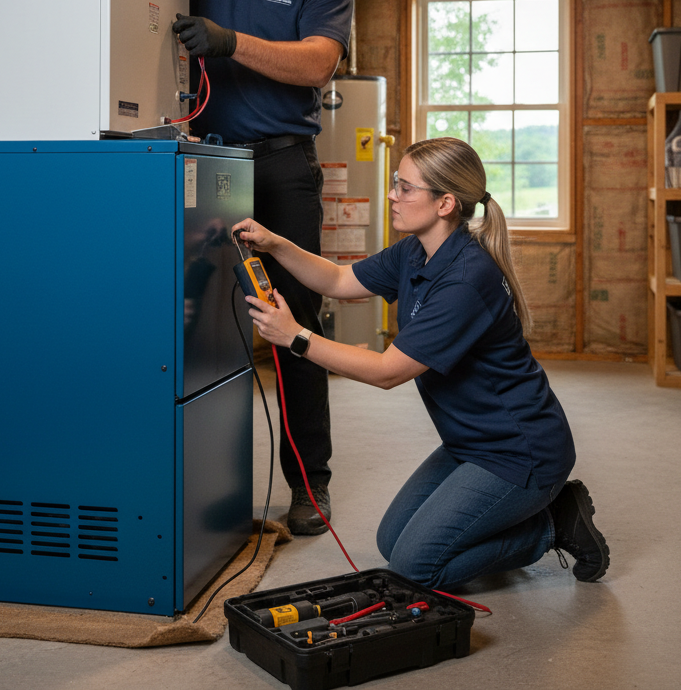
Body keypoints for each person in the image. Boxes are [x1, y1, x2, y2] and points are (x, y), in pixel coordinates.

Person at [233, 136, 610, 586]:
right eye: (396, 183)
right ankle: (528, 520)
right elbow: (337, 279)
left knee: (415, 567)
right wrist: (276, 245)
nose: (393, 195)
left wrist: (296, 337)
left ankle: (551, 527)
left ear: (445, 203)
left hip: (519, 453)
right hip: (468, 445)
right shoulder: (417, 251)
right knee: (393, 542)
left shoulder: (465, 281)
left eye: (406, 188)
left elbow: (389, 371)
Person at [171, 0, 354, 535]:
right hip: (203, 161)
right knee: (189, 317)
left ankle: (310, 486)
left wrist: (229, 41)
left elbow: (316, 65)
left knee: (292, 323)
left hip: (279, 166)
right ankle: (192, 477)